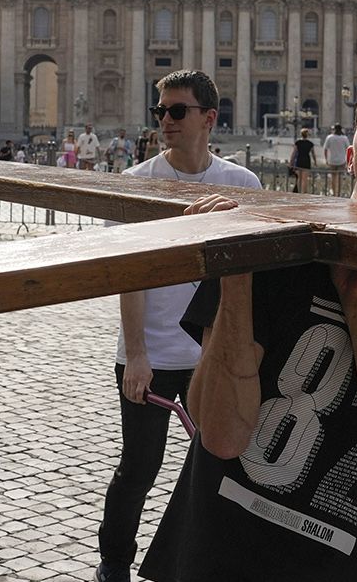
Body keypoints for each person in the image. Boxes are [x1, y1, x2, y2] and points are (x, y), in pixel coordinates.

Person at [140, 70, 357, 582]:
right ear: (349, 153)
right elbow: (221, 434)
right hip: (221, 555)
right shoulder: (267, 247)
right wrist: (234, 277)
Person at [97, 70, 261, 582]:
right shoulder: (137, 183)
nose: (165, 121)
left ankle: (203, 564)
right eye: (160, 111)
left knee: (223, 469)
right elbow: (129, 277)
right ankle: (114, 564)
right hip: (152, 355)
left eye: (177, 111)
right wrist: (137, 354)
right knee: (138, 471)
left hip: (213, 357)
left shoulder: (243, 186)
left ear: (209, 118)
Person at [290, 126, 314, 193]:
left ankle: (299, 191)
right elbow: (313, 154)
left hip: (299, 160)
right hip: (306, 160)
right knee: (305, 179)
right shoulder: (310, 144)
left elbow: (294, 153)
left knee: (299, 178)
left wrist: (291, 162)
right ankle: (304, 192)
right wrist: (315, 162)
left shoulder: (298, 143)